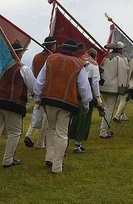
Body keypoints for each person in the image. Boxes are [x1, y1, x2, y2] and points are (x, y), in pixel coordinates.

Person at [33, 38, 92, 173]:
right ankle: (57, 166)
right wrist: (86, 103)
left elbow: (40, 82)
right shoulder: (79, 64)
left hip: (49, 100)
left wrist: (38, 97)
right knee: (62, 133)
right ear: (75, 50)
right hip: (67, 103)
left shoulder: (51, 59)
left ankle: (49, 158)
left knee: (51, 129)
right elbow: (84, 88)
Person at [0, 43, 35, 172]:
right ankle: (8, 160)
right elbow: (34, 87)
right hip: (13, 103)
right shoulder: (23, 68)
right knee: (14, 132)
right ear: (19, 53)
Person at [24, 36, 56, 149]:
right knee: (45, 118)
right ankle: (39, 142)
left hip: (36, 88)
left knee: (37, 114)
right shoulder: (52, 58)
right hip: (47, 90)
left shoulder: (36, 57)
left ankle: (29, 134)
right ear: (53, 46)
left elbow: (33, 72)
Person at [69, 48, 102, 154]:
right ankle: (77, 145)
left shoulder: (78, 60)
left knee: (73, 118)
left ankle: (68, 143)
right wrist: (97, 97)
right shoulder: (94, 64)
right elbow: (95, 81)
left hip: (74, 92)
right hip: (86, 92)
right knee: (83, 119)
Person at [99, 41, 128, 138]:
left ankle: (103, 129)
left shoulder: (105, 58)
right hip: (112, 88)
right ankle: (103, 132)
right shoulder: (121, 59)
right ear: (120, 49)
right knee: (109, 109)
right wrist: (123, 88)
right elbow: (122, 74)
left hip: (102, 86)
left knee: (107, 108)